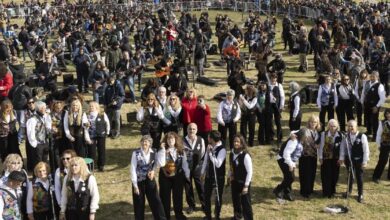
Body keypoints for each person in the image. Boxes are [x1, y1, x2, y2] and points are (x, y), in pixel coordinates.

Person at [130, 135, 167, 220]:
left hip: (150, 180)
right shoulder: (135, 153)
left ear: (150, 143)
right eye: (143, 141)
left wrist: (162, 150)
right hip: (138, 182)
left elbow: (160, 163)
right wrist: (135, 185)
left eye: (146, 141)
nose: (144, 143)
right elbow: (132, 168)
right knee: (139, 203)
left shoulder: (154, 152)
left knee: (156, 201)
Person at [159, 132, 190, 220]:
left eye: (172, 139)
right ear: (166, 140)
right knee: (165, 196)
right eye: (168, 139)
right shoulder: (162, 150)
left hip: (178, 177)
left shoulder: (181, 150)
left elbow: (184, 164)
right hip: (165, 177)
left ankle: (179, 214)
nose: (170, 140)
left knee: (178, 196)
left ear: (176, 140)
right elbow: (161, 163)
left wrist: (187, 175)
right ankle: (165, 216)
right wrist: (163, 151)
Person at [273, 128, 309, 201]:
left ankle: (287, 193)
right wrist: (290, 164)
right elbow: (286, 154)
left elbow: (293, 131)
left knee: (288, 177)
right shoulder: (293, 141)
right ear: (301, 136)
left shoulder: (296, 136)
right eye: (305, 137)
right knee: (290, 178)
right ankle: (278, 189)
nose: (306, 139)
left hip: (290, 160)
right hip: (283, 159)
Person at [339, 120, 370, 203]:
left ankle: (360, 194)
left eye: (352, 126)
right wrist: (342, 157)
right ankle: (348, 191)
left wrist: (365, 161)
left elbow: (366, 150)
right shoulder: (345, 136)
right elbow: (343, 147)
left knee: (359, 177)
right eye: (348, 126)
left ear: (356, 127)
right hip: (349, 160)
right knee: (350, 175)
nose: (350, 128)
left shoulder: (362, 136)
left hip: (359, 160)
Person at [201, 130, 226, 220]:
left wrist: (211, 153)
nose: (207, 138)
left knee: (218, 196)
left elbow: (218, 164)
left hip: (218, 177)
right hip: (209, 176)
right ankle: (208, 215)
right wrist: (202, 172)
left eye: (208, 137)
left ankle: (217, 215)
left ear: (212, 139)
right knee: (206, 196)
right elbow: (205, 160)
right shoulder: (210, 146)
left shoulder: (222, 149)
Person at [228, 134, 253, 220]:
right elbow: (231, 167)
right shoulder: (231, 153)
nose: (235, 143)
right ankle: (238, 216)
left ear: (242, 143)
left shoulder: (245, 156)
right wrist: (229, 176)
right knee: (236, 201)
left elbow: (250, 172)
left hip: (243, 182)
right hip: (235, 181)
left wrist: (246, 186)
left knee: (246, 203)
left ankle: (248, 218)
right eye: (234, 141)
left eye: (238, 142)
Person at [183, 123, 205, 214]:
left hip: (197, 167)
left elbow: (203, 152)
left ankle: (204, 204)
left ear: (196, 130)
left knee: (200, 186)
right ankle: (191, 205)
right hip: (186, 168)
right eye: (190, 129)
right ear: (187, 130)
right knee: (188, 187)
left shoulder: (201, 139)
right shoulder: (182, 140)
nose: (191, 131)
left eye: (193, 129)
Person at [318, 119, 343, 198]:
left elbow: (342, 148)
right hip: (326, 158)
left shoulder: (341, 135)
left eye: (334, 126)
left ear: (337, 127)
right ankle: (326, 192)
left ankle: (332, 190)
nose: (332, 128)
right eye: (331, 126)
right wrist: (320, 157)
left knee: (335, 175)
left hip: (336, 158)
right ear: (328, 126)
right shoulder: (323, 134)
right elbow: (321, 147)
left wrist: (341, 158)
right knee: (326, 175)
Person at [299, 115, 321, 198]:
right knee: (305, 173)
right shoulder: (304, 130)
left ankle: (310, 189)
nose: (313, 123)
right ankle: (304, 191)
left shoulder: (317, 133)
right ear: (308, 122)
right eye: (311, 121)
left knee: (312, 173)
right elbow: (295, 135)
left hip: (314, 156)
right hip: (305, 156)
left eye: (315, 122)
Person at [26, 101, 52, 169]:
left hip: (45, 142)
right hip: (38, 144)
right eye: (43, 108)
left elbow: (48, 128)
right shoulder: (32, 119)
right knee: (38, 163)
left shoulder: (46, 116)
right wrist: (35, 144)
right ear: (39, 109)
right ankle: (36, 177)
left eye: (45, 108)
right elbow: (30, 133)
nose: (45, 109)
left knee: (45, 161)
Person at [85, 102, 110, 172]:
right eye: (90, 106)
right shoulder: (86, 115)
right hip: (91, 135)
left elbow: (107, 122)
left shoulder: (102, 114)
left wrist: (107, 132)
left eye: (93, 106)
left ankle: (101, 165)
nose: (91, 107)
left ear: (97, 107)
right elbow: (85, 125)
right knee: (91, 151)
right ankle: (91, 166)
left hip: (101, 135)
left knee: (101, 150)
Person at [361, 71, 386, 141]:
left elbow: (383, 98)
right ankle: (369, 131)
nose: (372, 77)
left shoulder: (380, 85)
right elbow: (363, 92)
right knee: (367, 119)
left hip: (374, 106)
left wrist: (377, 106)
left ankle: (375, 135)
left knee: (374, 121)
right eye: (371, 76)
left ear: (377, 77)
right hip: (367, 105)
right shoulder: (366, 83)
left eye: (373, 76)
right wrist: (362, 101)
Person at [54, 150, 77, 216]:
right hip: (65, 201)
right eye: (63, 159)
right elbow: (57, 188)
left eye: (68, 158)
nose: (65, 160)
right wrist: (60, 203)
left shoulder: (79, 168)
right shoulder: (59, 171)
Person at [104, 74, 125, 139]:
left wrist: (117, 102)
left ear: (114, 80)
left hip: (116, 106)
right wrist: (105, 104)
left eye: (111, 81)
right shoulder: (107, 87)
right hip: (109, 106)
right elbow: (105, 96)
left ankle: (117, 132)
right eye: (109, 82)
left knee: (116, 120)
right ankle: (109, 132)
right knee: (108, 120)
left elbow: (122, 96)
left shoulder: (119, 86)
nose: (110, 83)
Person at [373, 109, 390, 183]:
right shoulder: (382, 122)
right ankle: (376, 176)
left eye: (389, 114)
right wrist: (379, 144)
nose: (388, 115)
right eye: (387, 114)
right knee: (383, 160)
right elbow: (379, 134)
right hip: (385, 144)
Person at [269, 73, 285, 143]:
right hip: (269, 106)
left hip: (277, 106)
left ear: (276, 78)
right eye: (272, 78)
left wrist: (281, 106)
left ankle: (279, 137)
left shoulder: (279, 85)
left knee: (278, 122)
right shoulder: (268, 85)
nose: (273, 79)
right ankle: (271, 136)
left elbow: (282, 96)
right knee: (270, 122)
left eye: (275, 78)